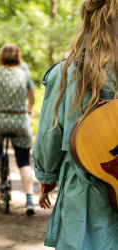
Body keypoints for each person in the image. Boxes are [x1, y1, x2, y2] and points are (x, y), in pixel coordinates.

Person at [33, 0, 118, 249]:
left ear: (86, 22)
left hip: (85, 187)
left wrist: (47, 178)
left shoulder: (66, 73)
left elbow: (51, 132)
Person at [0, 43, 36, 214]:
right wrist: (26, 111)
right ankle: (30, 199)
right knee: (24, 161)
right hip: (19, 121)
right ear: (18, 57)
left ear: (0, 57)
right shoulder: (25, 75)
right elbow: (31, 101)